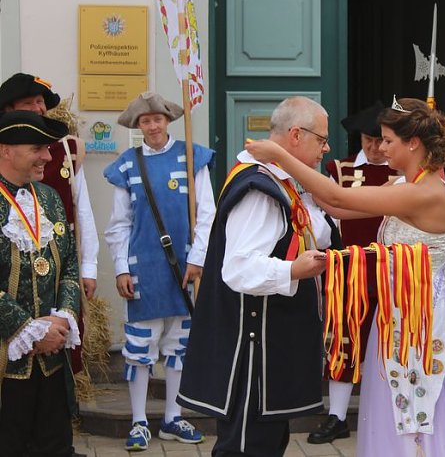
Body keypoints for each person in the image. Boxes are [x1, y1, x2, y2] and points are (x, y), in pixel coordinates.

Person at [246, 97, 445, 457]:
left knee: (422, 422)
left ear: (412, 143)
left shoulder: (424, 194)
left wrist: (279, 155)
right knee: (398, 418)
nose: (380, 148)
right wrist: (290, 180)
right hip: (396, 320)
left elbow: (334, 193)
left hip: (424, 329)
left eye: (388, 140)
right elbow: (336, 205)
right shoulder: (405, 187)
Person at [178, 96, 334, 456]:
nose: (326, 148)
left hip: (271, 353)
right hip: (252, 356)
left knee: (266, 444)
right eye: (321, 139)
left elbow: (307, 232)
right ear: (296, 135)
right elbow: (239, 268)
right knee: (246, 449)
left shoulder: (282, 182)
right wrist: (294, 269)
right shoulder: (260, 191)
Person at [104, 92, 214, 450]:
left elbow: (208, 215)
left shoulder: (192, 157)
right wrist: (121, 267)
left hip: (183, 268)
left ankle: (173, 416)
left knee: (178, 347)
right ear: (138, 126)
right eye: (145, 121)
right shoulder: (127, 164)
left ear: (168, 120)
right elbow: (119, 224)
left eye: (157, 119)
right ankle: (138, 421)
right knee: (139, 348)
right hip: (144, 269)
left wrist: (198, 258)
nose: (152, 126)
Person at [309, 100, 396, 444]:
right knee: (343, 342)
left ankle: (390, 413)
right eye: (368, 139)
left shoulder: (404, 174)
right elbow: (327, 220)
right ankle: (337, 416)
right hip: (349, 269)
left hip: (392, 271)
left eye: (381, 140)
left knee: (392, 341)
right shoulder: (339, 170)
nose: (375, 147)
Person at [0, 110, 81, 456]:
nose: (48, 157)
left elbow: (70, 266)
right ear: (6, 150)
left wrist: (62, 318)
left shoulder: (48, 198)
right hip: (6, 366)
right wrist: (28, 330)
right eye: (38, 148)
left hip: (52, 362)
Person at [0, 73, 99, 302]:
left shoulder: (67, 149)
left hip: (61, 267)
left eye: (40, 101)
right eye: (28, 103)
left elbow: (81, 208)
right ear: (8, 110)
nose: (37, 109)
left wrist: (88, 266)